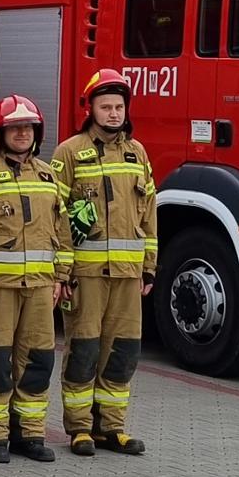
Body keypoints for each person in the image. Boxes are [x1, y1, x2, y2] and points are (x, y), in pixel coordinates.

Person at [0, 94, 71, 465]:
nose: (22, 134)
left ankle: (30, 435)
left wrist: (60, 277)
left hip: (39, 288)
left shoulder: (48, 175)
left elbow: (62, 231)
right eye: (14, 128)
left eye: (28, 128)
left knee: (37, 363)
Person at [52, 70, 157, 457]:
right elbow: (55, 215)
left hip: (129, 276)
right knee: (84, 350)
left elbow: (149, 214)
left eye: (119, 106)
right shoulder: (68, 152)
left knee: (123, 352)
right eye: (105, 106)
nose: (113, 113)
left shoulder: (138, 153)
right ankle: (80, 429)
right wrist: (62, 272)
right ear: (89, 108)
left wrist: (150, 265)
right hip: (87, 275)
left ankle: (112, 429)